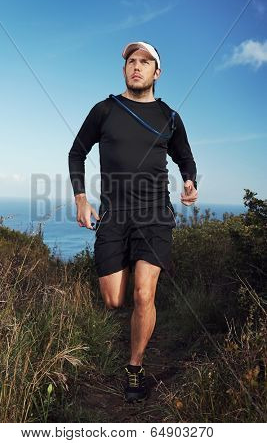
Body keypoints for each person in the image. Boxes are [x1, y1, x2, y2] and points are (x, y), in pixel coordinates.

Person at [68, 41, 198, 402]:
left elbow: (185, 158)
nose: (136, 66)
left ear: (157, 72)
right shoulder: (105, 110)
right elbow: (77, 152)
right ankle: (129, 274)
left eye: (145, 62)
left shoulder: (170, 117)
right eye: (130, 61)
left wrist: (190, 181)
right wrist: (81, 198)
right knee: (113, 300)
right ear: (124, 70)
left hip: (155, 215)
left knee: (144, 293)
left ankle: (135, 367)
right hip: (113, 215)